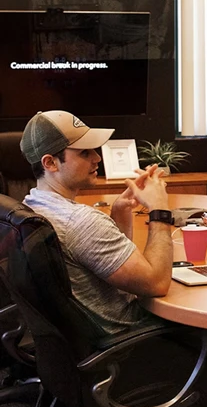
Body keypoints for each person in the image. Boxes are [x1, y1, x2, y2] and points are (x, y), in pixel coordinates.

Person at [20, 110, 174, 336]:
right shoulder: (80, 222)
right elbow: (156, 283)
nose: (97, 158)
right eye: (84, 152)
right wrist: (159, 210)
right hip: (132, 339)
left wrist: (119, 212)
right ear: (50, 163)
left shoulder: (30, 206)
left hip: (80, 342)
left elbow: (110, 265)